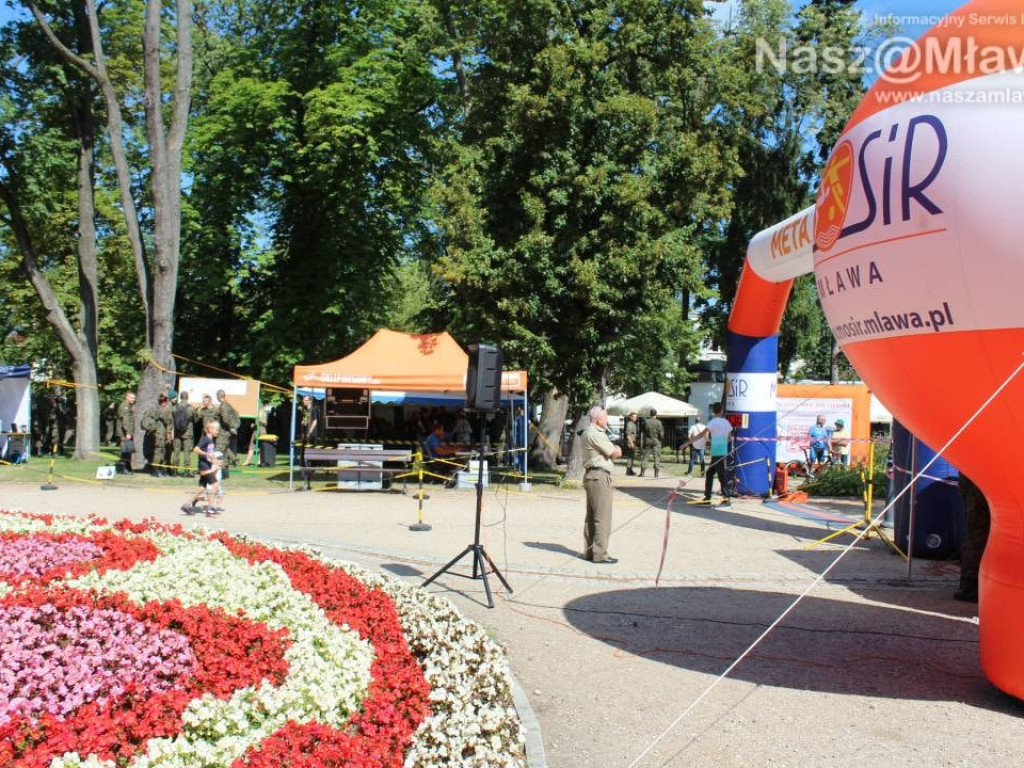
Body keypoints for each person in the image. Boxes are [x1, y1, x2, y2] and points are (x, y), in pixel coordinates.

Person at [581, 405, 622, 563]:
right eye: (605, 417)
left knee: (592, 517)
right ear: (597, 419)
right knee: (602, 517)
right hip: (599, 476)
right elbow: (614, 452)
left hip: (593, 476)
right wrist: (617, 449)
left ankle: (591, 552)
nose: (607, 420)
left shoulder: (588, 432)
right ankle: (600, 554)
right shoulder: (595, 433)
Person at [954, 473, 991, 603]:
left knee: (975, 538)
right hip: (978, 490)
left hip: (975, 491)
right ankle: (971, 586)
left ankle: (970, 586)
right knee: (977, 538)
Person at [183, 421, 222, 517]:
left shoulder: (211, 441)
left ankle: (186, 505)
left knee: (202, 488)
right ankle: (210, 508)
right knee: (215, 485)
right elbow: (195, 449)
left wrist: (215, 461)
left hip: (207, 465)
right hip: (204, 466)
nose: (218, 431)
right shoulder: (206, 439)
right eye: (216, 430)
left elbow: (210, 454)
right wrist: (207, 454)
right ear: (210, 430)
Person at [701, 403, 733, 506]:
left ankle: (726, 497)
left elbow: (704, 434)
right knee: (710, 473)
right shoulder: (726, 422)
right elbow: (729, 438)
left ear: (713, 411)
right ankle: (708, 496)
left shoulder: (712, 422)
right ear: (722, 410)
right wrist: (725, 447)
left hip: (716, 449)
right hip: (721, 448)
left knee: (721, 474)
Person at [171, 392, 198, 477]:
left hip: (177, 433)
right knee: (187, 453)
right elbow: (196, 419)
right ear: (187, 397)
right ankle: (186, 472)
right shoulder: (191, 408)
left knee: (176, 452)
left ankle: (174, 471)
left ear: (180, 397)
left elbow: (172, 419)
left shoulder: (175, 407)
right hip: (188, 433)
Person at [215, 390, 240, 473]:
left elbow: (225, 420)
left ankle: (222, 470)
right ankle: (225, 471)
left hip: (224, 432)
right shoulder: (227, 405)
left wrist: (230, 428)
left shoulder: (224, 406)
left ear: (219, 396)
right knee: (225, 450)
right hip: (226, 432)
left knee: (220, 450)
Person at [639, 408, 664, 478]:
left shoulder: (646, 422)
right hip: (656, 440)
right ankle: (656, 474)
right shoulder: (659, 422)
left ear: (650, 414)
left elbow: (642, 430)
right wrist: (660, 439)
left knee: (645, 456)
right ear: (656, 414)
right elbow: (661, 434)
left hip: (648, 440)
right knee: (657, 457)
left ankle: (642, 473)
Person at [115, 391, 136, 474]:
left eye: (134, 398)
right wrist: (128, 432)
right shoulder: (124, 406)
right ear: (126, 397)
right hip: (124, 433)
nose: (133, 400)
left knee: (128, 451)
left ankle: (128, 467)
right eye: (132, 398)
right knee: (124, 451)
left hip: (128, 432)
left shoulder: (130, 406)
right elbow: (125, 420)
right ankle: (123, 468)